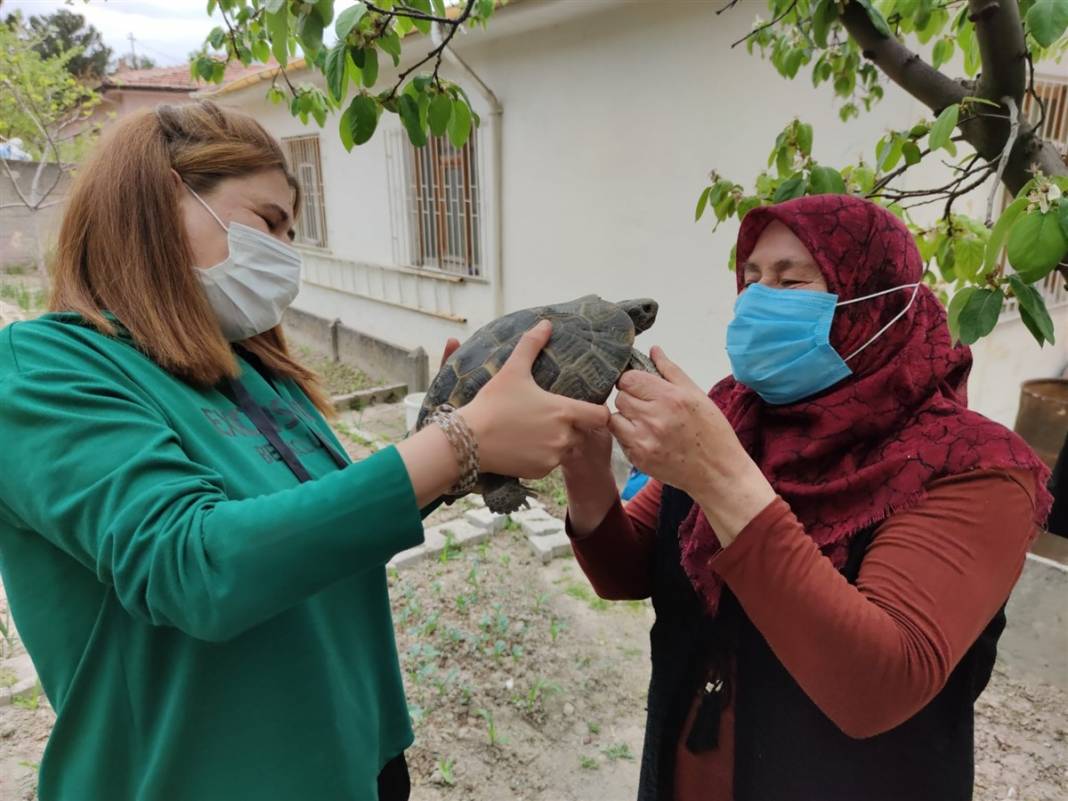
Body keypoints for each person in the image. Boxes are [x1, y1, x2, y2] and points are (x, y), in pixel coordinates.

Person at [0, 101, 608, 801]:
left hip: (357, 758)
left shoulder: (252, 371)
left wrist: (461, 440)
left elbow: (323, 528)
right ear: (164, 197)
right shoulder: (43, 367)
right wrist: (454, 445)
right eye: (267, 222)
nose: (286, 255)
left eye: (294, 233)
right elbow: (193, 564)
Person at [562, 195, 1052, 801]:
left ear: (878, 305)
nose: (760, 301)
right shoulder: (736, 413)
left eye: (792, 281)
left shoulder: (971, 467)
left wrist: (720, 478)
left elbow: (877, 683)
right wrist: (584, 469)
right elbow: (628, 567)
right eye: (751, 279)